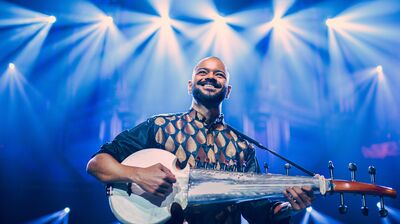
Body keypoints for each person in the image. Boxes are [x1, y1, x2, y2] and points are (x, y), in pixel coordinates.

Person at [87, 56, 315, 223]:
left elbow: (258, 212)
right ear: (190, 85)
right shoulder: (159, 127)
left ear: (228, 91)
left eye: (219, 74)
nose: (211, 77)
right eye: (203, 72)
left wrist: (290, 208)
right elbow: (97, 164)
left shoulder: (242, 147)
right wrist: (138, 175)